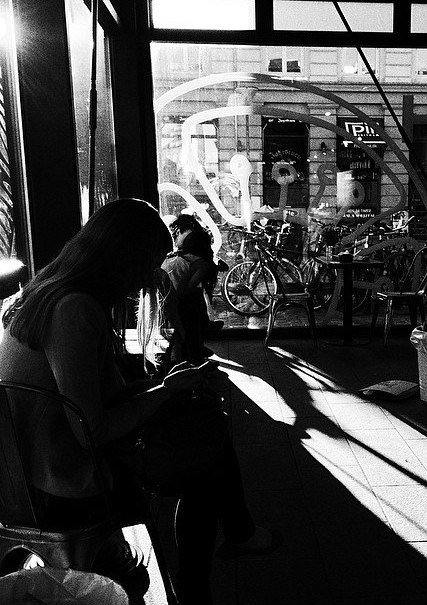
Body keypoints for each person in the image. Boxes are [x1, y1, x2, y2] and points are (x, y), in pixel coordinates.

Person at [0, 198, 279, 604]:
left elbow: (90, 400)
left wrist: (167, 384)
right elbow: (91, 431)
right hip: (60, 482)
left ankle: (237, 539)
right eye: (150, 262)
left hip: (28, 470)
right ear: (124, 257)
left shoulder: (49, 289)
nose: (152, 276)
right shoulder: (75, 308)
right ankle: (200, 584)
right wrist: (165, 391)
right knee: (205, 468)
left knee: (204, 427)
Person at [162, 214, 222, 365]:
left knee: (194, 301)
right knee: (194, 299)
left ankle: (195, 347)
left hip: (161, 302)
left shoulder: (173, 257)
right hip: (174, 305)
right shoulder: (201, 264)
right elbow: (184, 293)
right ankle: (195, 353)